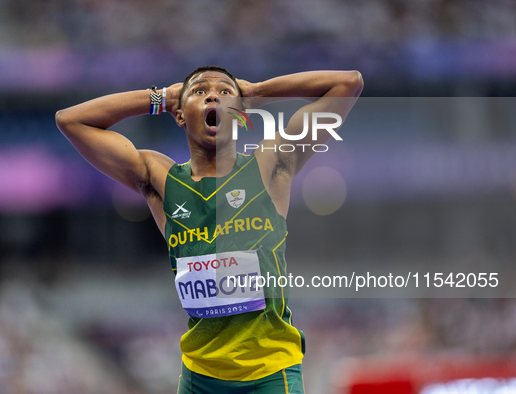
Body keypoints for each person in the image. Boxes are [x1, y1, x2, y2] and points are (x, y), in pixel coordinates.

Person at [56, 66, 363, 394]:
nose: (213, 95)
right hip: (199, 377)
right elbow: (70, 121)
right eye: (200, 91)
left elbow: (347, 84)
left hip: (271, 371)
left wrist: (256, 92)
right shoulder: (160, 178)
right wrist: (160, 98)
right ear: (180, 115)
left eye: (225, 91)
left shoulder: (271, 164)